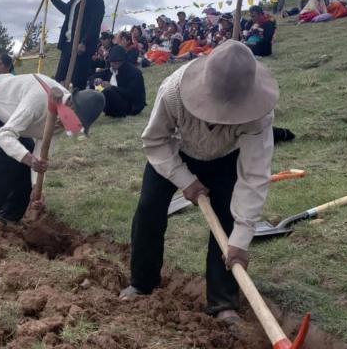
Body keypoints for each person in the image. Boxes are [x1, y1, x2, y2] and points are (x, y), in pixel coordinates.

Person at [118, 41, 278, 325]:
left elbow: (254, 175)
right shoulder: (173, 92)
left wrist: (241, 240)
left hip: (225, 158)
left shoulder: (259, 114)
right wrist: (184, 180)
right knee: (148, 210)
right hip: (174, 152)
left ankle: (223, 303)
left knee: (227, 221)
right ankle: (142, 283)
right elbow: (154, 141)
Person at [0, 74, 104, 236]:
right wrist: (29, 159)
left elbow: (41, 152)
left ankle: (9, 217)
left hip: (11, 117)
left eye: (75, 124)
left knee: (24, 163)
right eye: (69, 119)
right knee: (6, 164)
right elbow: (5, 135)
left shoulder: (65, 121)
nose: (66, 125)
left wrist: (37, 187)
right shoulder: (38, 100)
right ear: (69, 105)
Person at [49, 0, 106, 89]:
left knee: (77, 81)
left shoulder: (97, 1)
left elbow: (94, 25)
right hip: (68, 44)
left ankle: (77, 105)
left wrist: (84, 42)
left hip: (82, 47)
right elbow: (65, 9)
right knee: (60, 77)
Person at [90, 45, 146, 118]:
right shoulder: (109, 70)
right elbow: (92, 78)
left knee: (107, 91)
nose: (113, 64)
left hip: (130, 106)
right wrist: (96, 80)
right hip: (113, 106)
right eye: (112, 62)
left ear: (122, 61)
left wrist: (112, 88)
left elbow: (132, 94)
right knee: (95, 88)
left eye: (116, 62)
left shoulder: (134, 72)